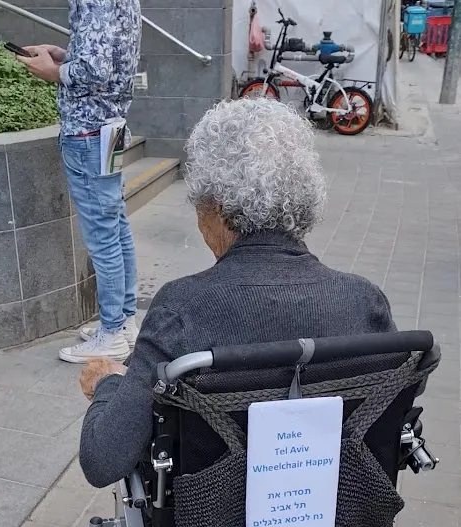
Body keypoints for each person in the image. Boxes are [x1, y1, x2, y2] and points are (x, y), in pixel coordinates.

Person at [78, 98, 395, 488]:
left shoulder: (182, 309)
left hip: (211, 517)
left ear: (217, 208)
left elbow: (103, 460)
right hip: (338, 511)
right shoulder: (363, 301)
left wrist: (109, 384)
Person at [18, 0, 142, 363]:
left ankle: (111, 334)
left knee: (103, 235)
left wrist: (54, 72)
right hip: (110, 128)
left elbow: (96, 69)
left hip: (88, 134)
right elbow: (111, 58)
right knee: (116, 226)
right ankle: (124, 322)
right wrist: (64, 55)